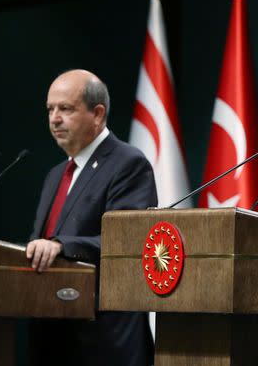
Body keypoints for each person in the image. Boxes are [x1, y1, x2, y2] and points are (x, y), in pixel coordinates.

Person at [26, 69, 157, 366]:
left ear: (97, 114)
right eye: (50, 109)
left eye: (65, 109)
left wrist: (61, 245)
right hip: (52, 337)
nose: (54, 118)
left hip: (103, 342)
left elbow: (129, 243)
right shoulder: (55, 175)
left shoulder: (128, 164)